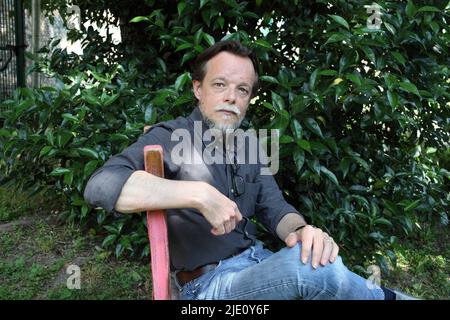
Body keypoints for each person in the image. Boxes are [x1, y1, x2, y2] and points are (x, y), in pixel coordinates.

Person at [84, 40, 415, 300]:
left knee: (316, 257)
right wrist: (198, 194)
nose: (231, 97)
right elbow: (99, 185)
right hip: (208, 287)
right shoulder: (169, 136)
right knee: (310, 271)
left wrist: (300, 231)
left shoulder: (250, 145)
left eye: (242, 90)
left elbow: (276, 208)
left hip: (258, 266)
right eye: (220, 85)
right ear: (198, 89)